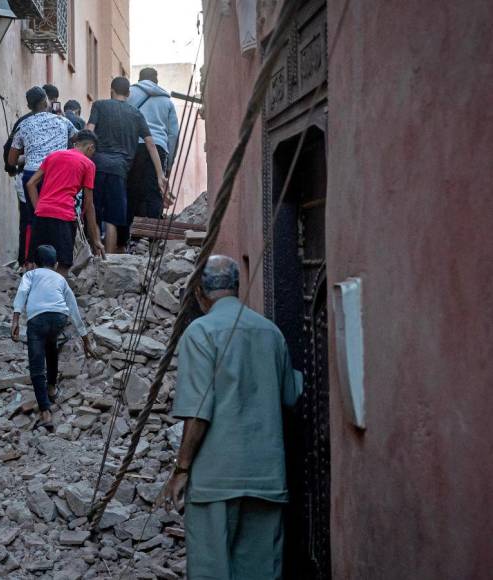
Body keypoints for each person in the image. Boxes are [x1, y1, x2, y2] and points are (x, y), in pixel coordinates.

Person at [163, 256, 303, 580]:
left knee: (213, 569)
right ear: (237, 288)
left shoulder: (200, 333)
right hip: (267, 475)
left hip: (216, 478)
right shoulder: (271, 333)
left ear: (200, 292)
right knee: (260, 570)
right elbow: (290, 397)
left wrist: (181, 469)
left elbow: (198, 411)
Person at [11, 245, 94, 429]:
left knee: (36, 363)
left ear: (33, 264)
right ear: (56, 264)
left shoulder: (30, 275)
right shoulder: (60, 279)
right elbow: (73, 307)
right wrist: (85, 338)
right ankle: (52, 387)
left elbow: (22, 294)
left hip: (37, 319)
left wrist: (15, 319)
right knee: (51, 346)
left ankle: (46, 412)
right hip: (59, 317)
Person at [86, 76, 168, 253]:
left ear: (111, 91)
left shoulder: (99, 106)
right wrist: (160, 174)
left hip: (97, 167)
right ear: (129, 94)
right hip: (120, 170)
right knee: (112, 218)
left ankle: (93, 257)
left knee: (92, 211)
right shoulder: (136, 114)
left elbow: (88, 132)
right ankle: (108, 259)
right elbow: (151, 144)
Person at [8, 86, 77, 266]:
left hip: (32, 175)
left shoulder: (23, 125)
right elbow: (78, 141)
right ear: (46, 102)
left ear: (29, 106)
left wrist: (29, 155)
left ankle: (30, 262)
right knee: (60, 216)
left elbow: (11, 159)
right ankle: (62, 262)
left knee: (34, 219)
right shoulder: (63, 122)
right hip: (59, 174)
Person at [25, 130, 105, 277]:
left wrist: (39, 208)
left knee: (37, 261)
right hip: (64, 217)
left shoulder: (53, 156)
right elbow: (89, 204)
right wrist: (95, 239)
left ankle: (34, 293)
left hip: (42, 214)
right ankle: (54, 295)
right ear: (90, 148)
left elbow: (31, 183)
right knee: (64, 263)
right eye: (93, 153)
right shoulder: (88, 164)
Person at [125, 67, 180, 234]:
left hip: (133, 146)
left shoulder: (129, 94)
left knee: (132, 189)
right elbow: (173, 134)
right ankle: (151, 237)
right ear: (156, 81)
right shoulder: (167, 102)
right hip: (159, 147)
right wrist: (168, 163)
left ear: (139, 79)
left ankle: (130, 235)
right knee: (154, 191)